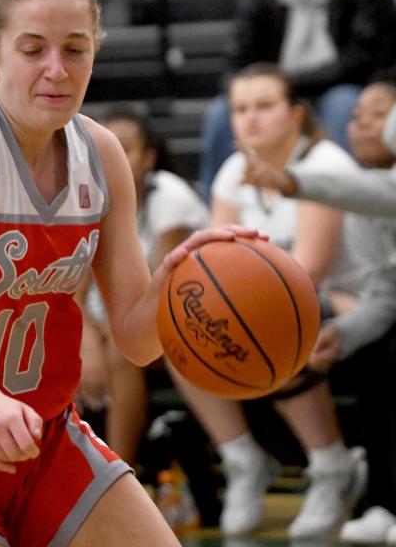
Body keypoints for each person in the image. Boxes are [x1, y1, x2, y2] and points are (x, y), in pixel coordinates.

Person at [0, 0, 259, 547]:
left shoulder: (103, 152)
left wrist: (183, 270)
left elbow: (137, 342)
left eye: (75, 49)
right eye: (33, 49)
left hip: (49, 437)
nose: (56, 70)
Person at [177, 63, 367, 538]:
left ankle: (332, 466)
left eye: (264, 106)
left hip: (354, 302)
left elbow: (307, 272)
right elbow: (210, 258)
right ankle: (241, 459)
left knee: (277, 319)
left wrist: (238, 298)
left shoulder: (324, 167)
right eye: (240, 109)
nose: (250, 119)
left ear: (296, 114)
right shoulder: (232, 171)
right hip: (286, 303)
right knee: (181, 318)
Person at [240, 77, 396, 543]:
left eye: (381, 113)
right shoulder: (366, 199)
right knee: (379, 353)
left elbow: (373, 194)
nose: (365, 124)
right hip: (376, 314)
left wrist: (292, 181)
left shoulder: (361, 189)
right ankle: (383, 501)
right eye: (358, 115)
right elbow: (385, 293)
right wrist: (343, 334)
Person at [199, 0, 396, 199]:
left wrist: (287, 85)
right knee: (222, 113)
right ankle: (219, 211)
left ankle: (346, 208)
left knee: (344, 103)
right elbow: (237, 59)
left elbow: (363, 60)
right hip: (276, 95)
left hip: (338, 89)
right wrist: (251, 95)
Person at [78, 109, 207, 467]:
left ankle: (120, 472)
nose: (112, 157)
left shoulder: (171, 197)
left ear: (149, 158)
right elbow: (74, 290)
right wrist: (89, 339)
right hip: (116, 326)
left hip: (183, 319)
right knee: (58, 340)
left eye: (125, 148)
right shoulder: (84, 197)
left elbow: (156, 299)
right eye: (104, 148)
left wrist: (105, 334)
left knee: (121, 352)